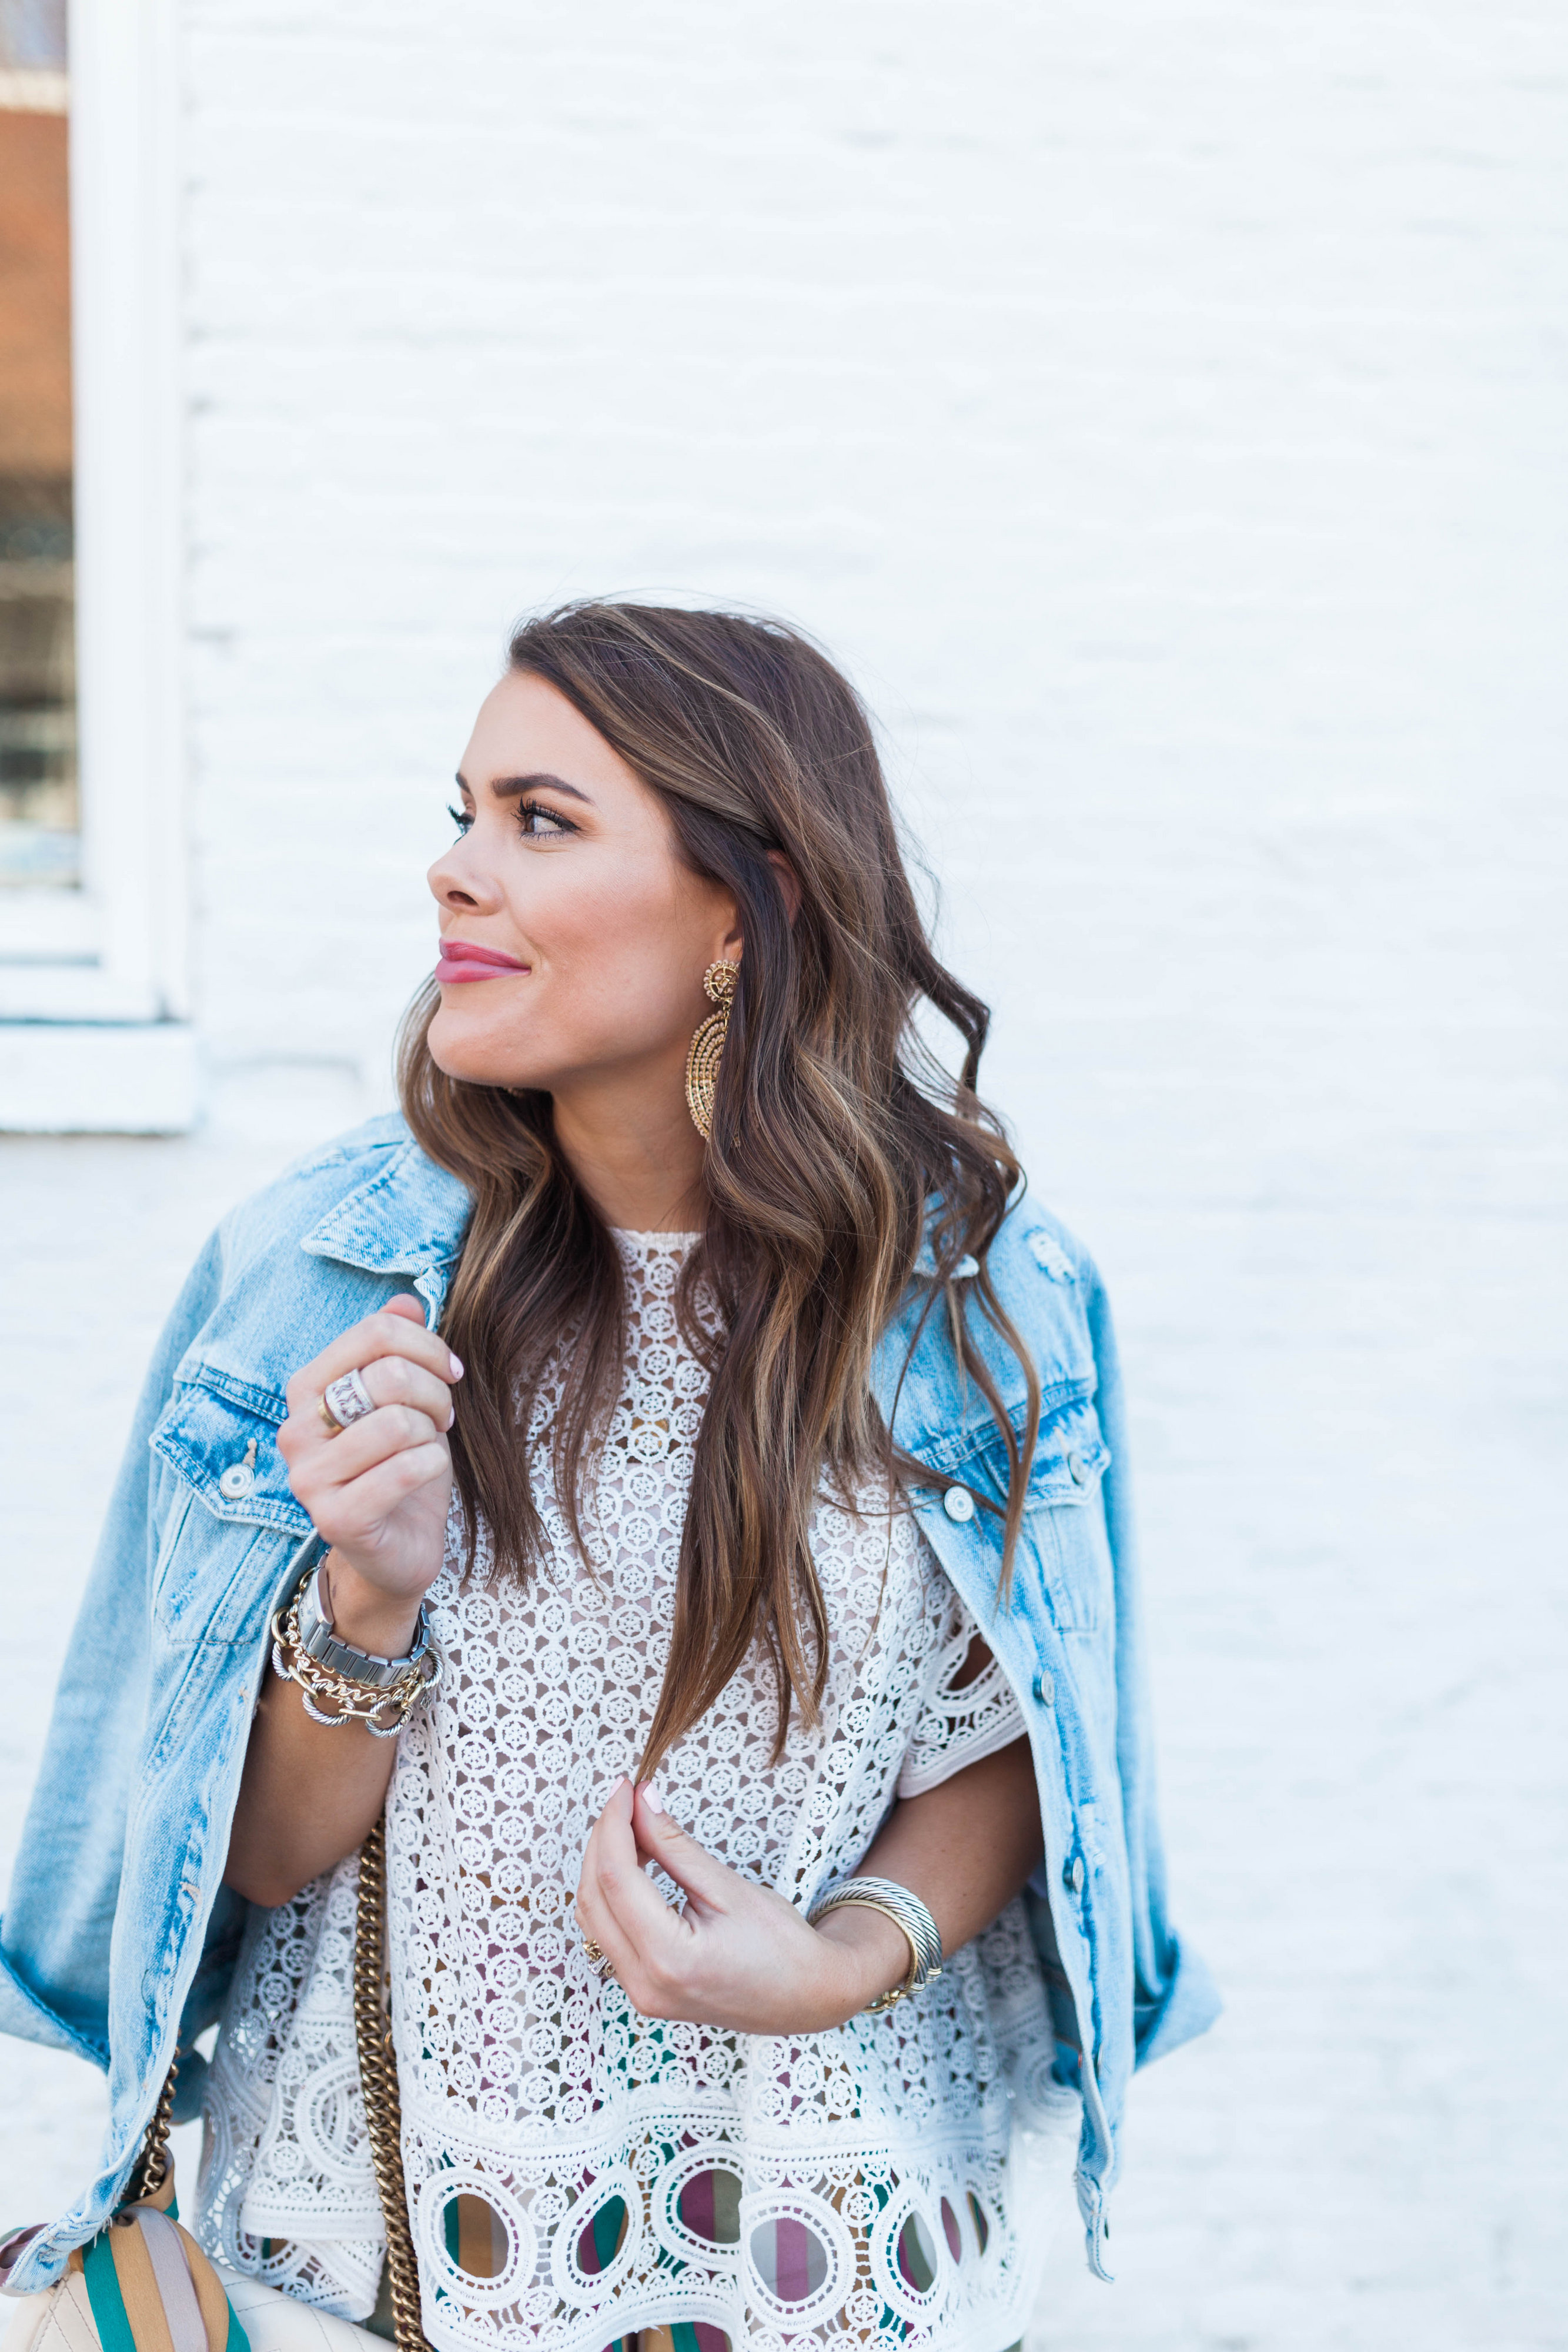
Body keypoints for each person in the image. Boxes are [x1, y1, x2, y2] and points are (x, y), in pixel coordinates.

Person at [0, 604, 1217, 2352]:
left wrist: (839, 1957)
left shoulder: (977, 1294)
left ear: (749, 904)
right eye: (462, 811)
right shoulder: (319, 1282)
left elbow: (1020, 1748)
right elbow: (247, 1857)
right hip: (388, 2276)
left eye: (538, 820)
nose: (451, 872)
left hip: (839, 2253)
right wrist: (368, 1594)